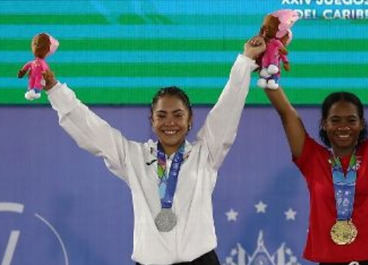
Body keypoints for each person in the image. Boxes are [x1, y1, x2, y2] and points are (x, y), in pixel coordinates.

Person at [39, 36, 266, 265]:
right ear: (152, 121)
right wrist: (54, 89)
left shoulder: (206, 153)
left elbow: (228, 108)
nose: (170, 123)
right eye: (162, 115)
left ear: (189, 120)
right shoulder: (133, 157)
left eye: (178, 115)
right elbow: (92, 129)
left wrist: (245, 61)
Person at [261, 22, 368, 265]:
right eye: (335, 120)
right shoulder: (312, 158)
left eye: (351, 120)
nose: (343, 126)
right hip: (330, 260)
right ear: (325, 124)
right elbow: (287, 114)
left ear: (361, 124)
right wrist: (267, 66)